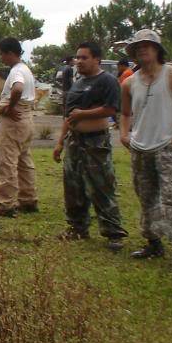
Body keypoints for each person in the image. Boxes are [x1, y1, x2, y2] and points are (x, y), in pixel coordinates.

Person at [119, 29, 172, 265]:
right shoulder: (129, 82)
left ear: (157, 49)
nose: (143, 49)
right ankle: (153, 244)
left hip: (167, 148)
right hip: (140, 149)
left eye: (147, 45)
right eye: (138, 47)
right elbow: (124, 113)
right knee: (146, 198)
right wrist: (124, 134)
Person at [53, 42, 127, 251]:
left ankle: (113, 232)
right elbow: (69, 115)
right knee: (73, 186)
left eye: (84, 57)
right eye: (77, 57)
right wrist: (60, 142)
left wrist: (84, 114)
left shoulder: (107, 81)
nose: (79, 61)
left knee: (101, 186)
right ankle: (77, 228)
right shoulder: (77, 83)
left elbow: (111, 109)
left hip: (96, 141)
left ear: (97, 59)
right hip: (74, 142)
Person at [0, 37, 38, 217]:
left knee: (7, 161)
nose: (1, 57)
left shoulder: (16, 71)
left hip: (14, 120)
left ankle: (7, 204)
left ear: (10, 53)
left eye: (2, 54)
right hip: (26, 119)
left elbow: (17, 89)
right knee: (24, 161)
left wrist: (10, 107)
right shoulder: (26, 69)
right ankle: (28, 199)